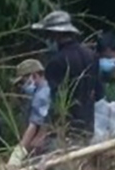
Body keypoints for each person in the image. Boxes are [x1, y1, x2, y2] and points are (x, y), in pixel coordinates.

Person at [31, 10, 101, 142]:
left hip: (64, 131)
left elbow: (54, 102)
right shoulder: (91, 55)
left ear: (54, 35)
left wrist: (42, 133)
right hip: (88, 127)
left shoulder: (56, 62)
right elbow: (98, 94)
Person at [14, 58, 51, 161]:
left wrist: (19, 152)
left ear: (34, 76)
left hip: (45, 145)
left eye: (23, 81)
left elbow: (34, 125)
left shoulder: (41, 96)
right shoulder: (45, 90)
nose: (22, 86)